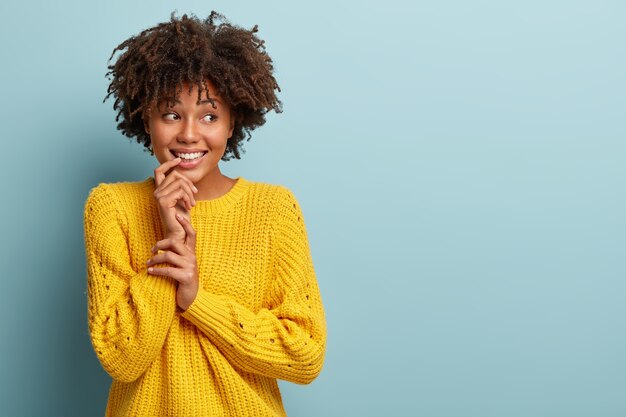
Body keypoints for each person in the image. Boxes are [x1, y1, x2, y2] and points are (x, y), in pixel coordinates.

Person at [83, 11, 326, 417]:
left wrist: (197, 300)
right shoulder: (111, 207)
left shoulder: (273, 209)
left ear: (234, 123)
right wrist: (171, 240)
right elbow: (121, 357)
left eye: (210, 115)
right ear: (146, 117)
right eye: (171, 114)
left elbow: (304, 355)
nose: (190, 134)